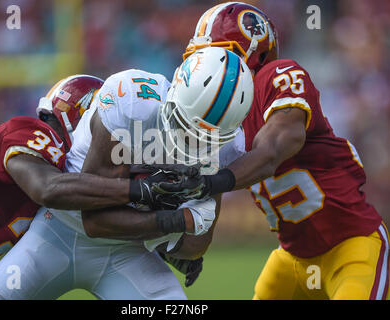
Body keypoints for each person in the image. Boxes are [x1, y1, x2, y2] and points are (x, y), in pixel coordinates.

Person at [0, 47, 255, 299]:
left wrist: (180, 227)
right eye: (185, 126)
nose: (191, 143)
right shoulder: (131, 100)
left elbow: (195, 246)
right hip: (57, 231)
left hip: (128, 252)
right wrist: (176, 220)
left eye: (206, 138)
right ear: (174, 93)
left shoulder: (228, 146)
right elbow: (95, 221)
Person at [163, 2, 388, 300]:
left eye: (214, 56)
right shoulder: (221, 119)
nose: (204, 68)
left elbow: (272, 152)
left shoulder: (278, 75)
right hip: (292, 258)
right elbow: (207, 207)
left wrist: (212, 180)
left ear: (249, 53)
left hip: (352, 246)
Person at [0, 74, 180, 293]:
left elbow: (84, 205)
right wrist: (140, 191)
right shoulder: (32, 133)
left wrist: (164, 245)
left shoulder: (63, 171)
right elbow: (47, 189)